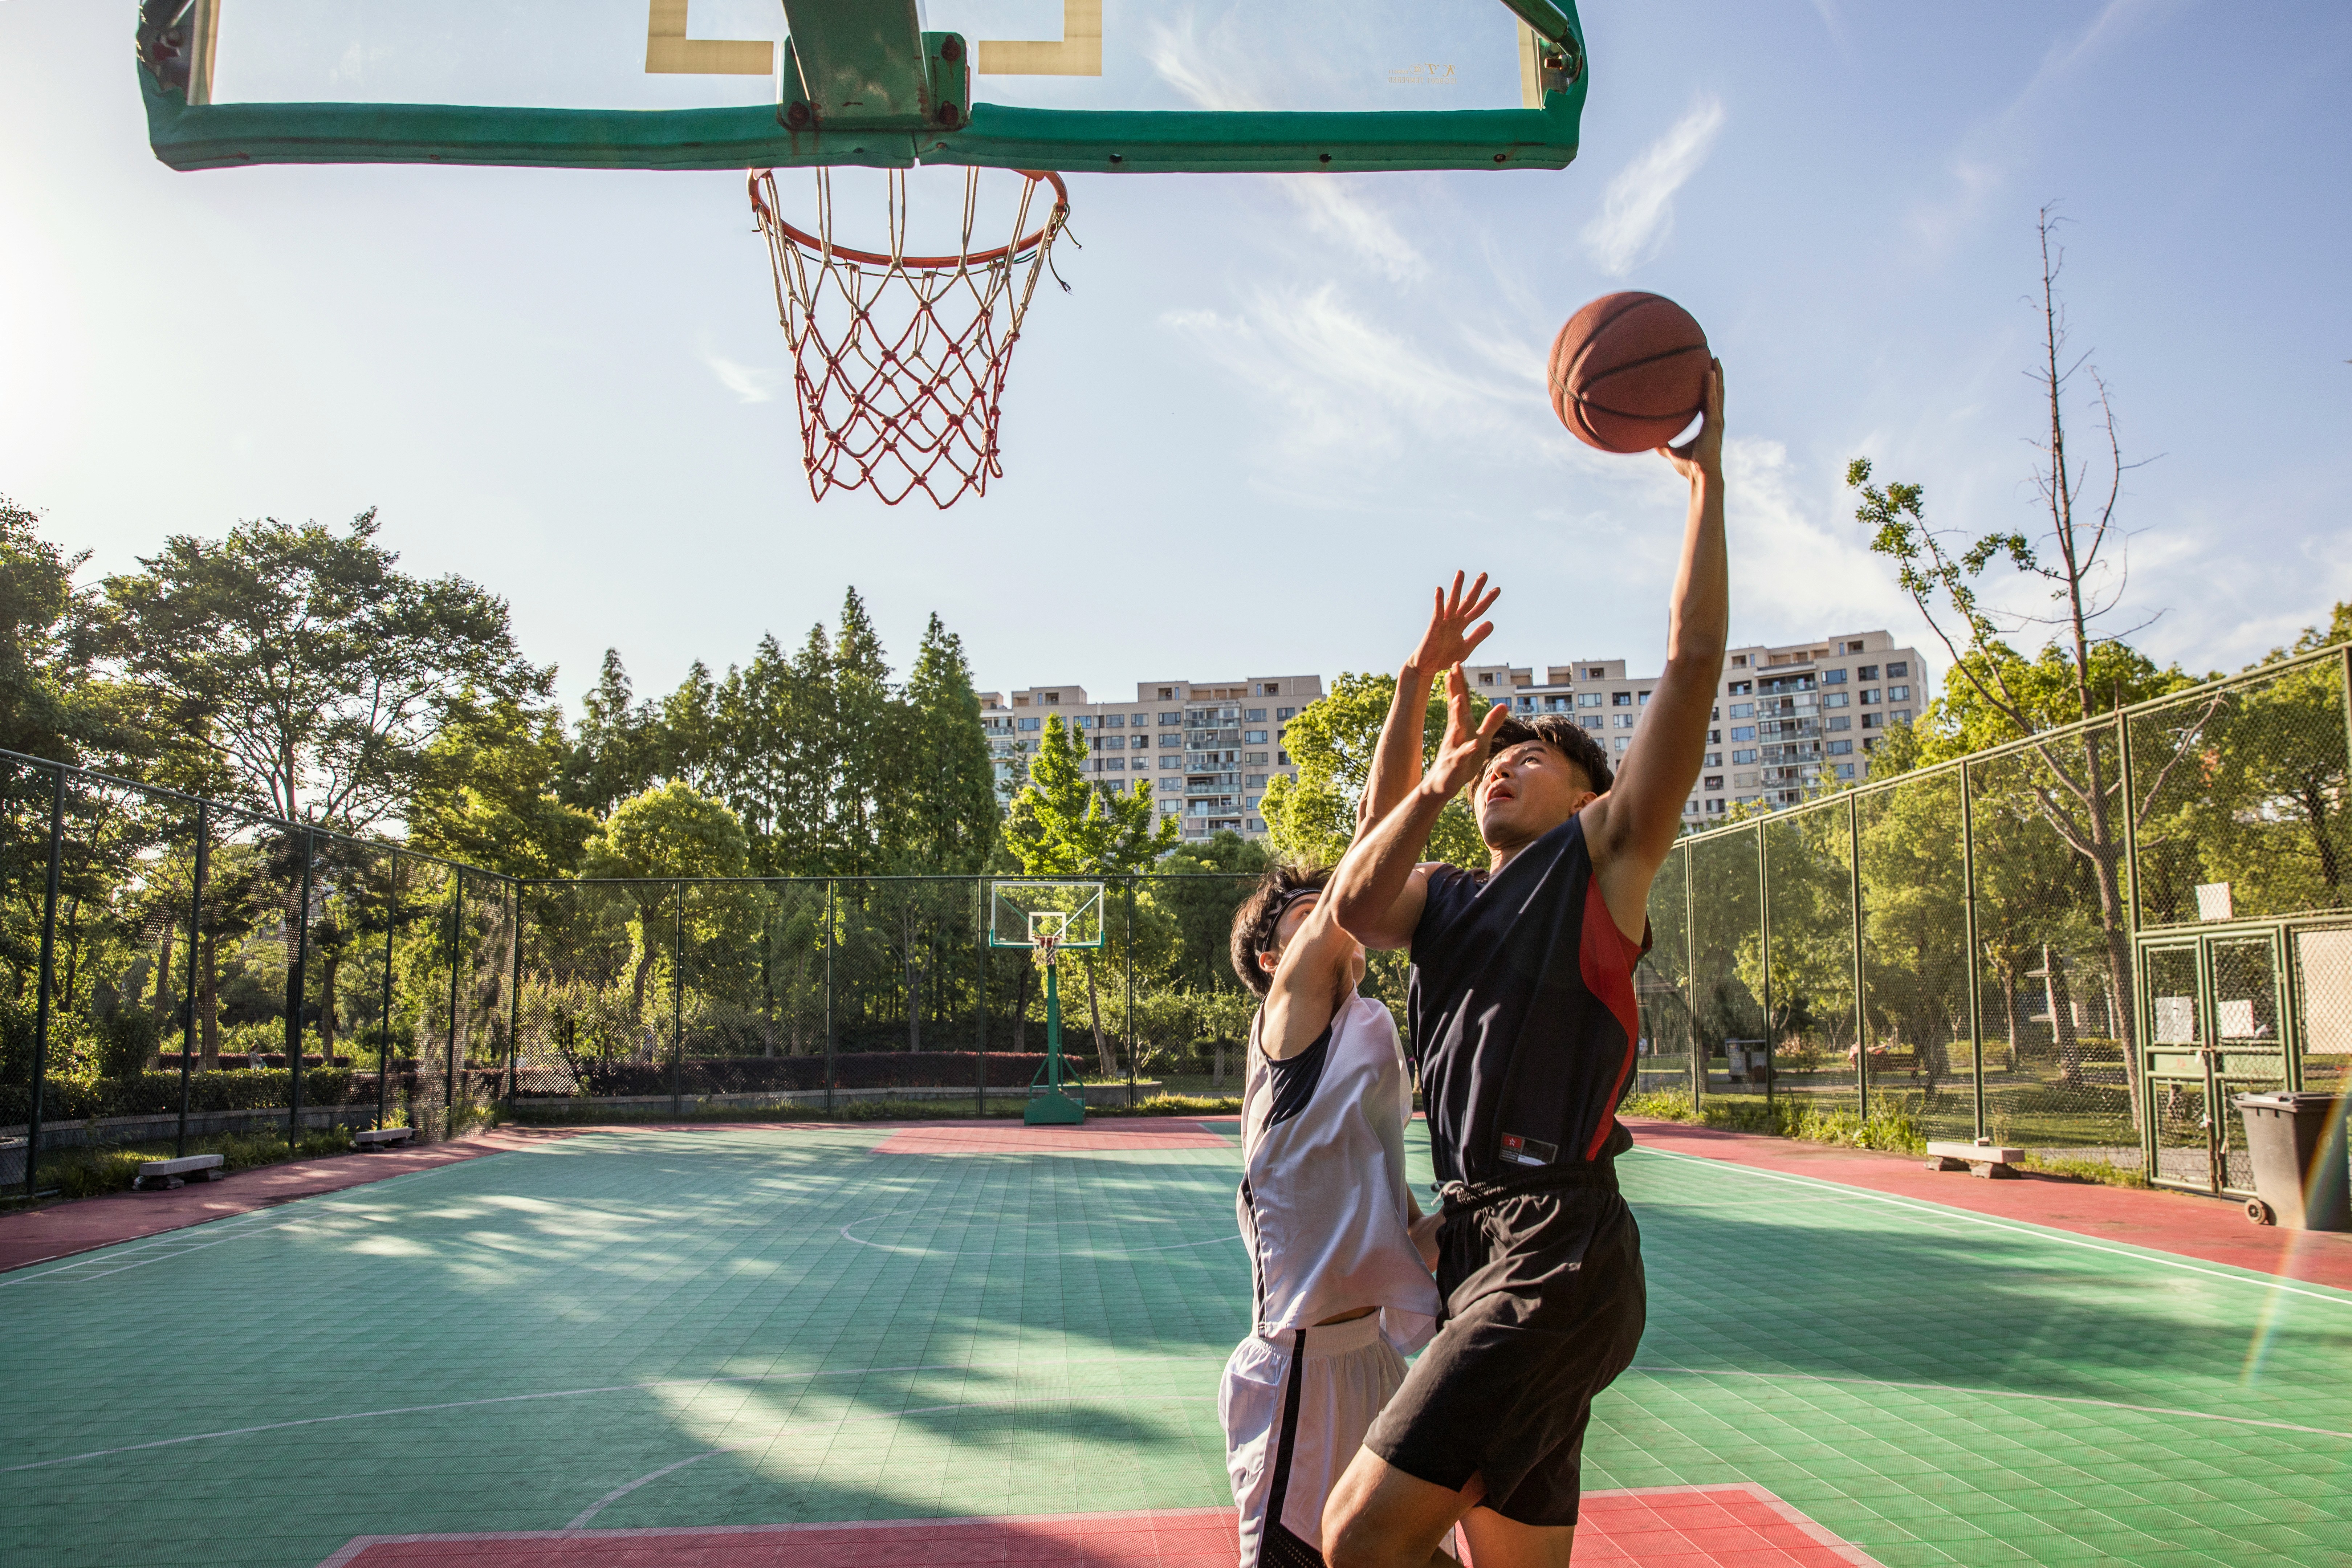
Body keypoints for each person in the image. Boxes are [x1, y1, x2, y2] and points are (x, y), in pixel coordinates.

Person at [1319, 364, 1729, 1568]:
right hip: (1484, 1238)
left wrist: (1706, 487)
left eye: (1531, 757)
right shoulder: (1446, 902)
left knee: (1360, 1538)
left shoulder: (1599, 869)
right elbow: (1353, 895)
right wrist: (1416, 719)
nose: (1503, 763)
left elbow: (1694, 658)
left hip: (1561, 1246)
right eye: (1494, 756)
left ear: (1596, 800)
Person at [1217, 576, 1500, 1568]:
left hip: (1373, 1352)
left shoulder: (1370, 1019)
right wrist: (1415, 687)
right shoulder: (1288, 1023)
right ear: (1269, 956)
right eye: (1296, 904)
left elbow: (1373, 1196)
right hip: (1296, 1368)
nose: (1321, 900)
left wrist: (1439, 1226)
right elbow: (1371, 849)